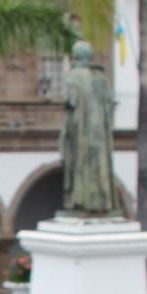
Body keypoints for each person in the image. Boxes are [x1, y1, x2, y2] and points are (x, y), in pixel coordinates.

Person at [59, 41, 124, 217]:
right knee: (99, 165)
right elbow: (109, 106)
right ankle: (103, 202)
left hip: (80, 130)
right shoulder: (102, 79)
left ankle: (80, 201)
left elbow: (69, 101)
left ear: (75, 56)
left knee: (81, 165)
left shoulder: (72, 76)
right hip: (100, 134)